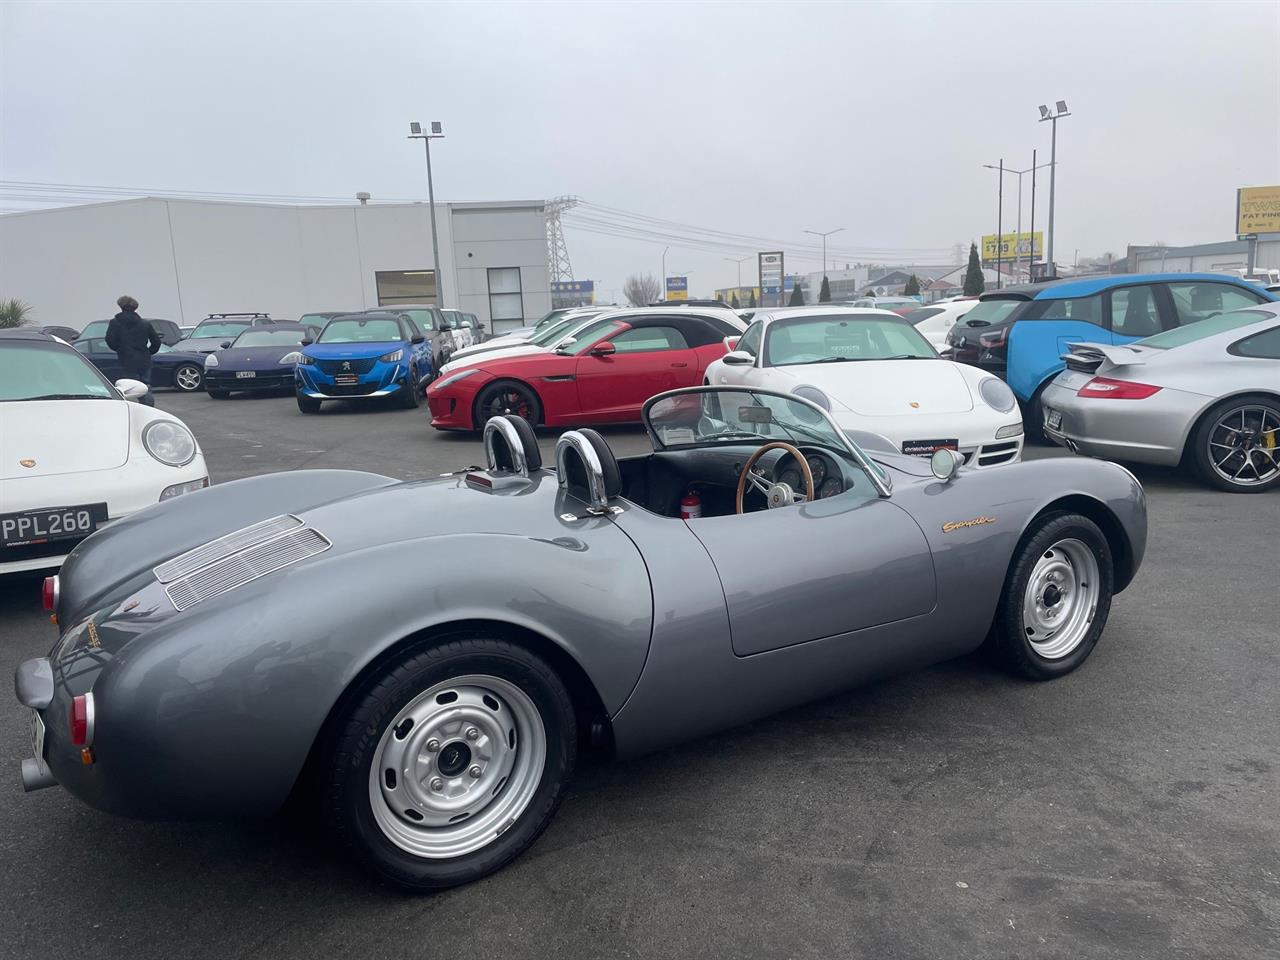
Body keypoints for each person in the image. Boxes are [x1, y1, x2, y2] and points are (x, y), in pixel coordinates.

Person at [104, 295, 161, 406]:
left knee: (128, 387)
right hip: (144, 359)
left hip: (126, 359)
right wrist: (148, 352)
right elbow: (156, 342)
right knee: (145, 386)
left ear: (121, 306)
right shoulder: (145, 324)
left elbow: (110, 340)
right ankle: (148, 407)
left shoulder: (115, 323)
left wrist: (118, 349)